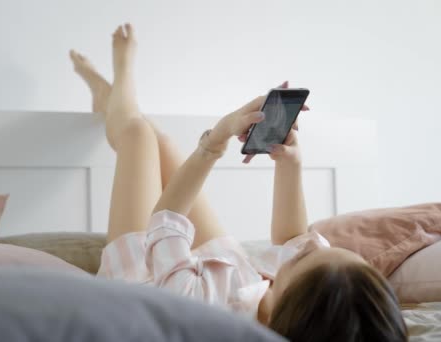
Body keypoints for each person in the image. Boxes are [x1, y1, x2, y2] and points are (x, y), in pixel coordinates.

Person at [70, 23, 407, 342]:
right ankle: (112, 103)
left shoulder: (195, 308)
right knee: (166, 145)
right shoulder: (289, 303)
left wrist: (215, 141)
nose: (311, 245)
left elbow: (167, 218)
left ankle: (116, 83)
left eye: (308, 257)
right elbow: (291, 239)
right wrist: (290, 162)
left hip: (143, 277)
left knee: (139, 135)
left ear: (288, 305)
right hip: (226, 274)